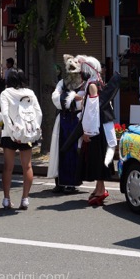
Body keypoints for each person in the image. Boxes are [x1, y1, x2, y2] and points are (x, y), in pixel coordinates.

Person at [78, 56, 118, 206]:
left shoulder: (92, 85)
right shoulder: (98, 83)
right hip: (101, 126)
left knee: (97, 158)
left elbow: (92, 110)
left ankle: (101, 190)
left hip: (96, 128)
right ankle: (99, 188)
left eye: (82, 69)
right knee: (98, 157)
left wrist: (88, 130)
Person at [0, 69, 40, 210]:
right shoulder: (30, 93)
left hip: (10, 133)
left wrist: (12, 133)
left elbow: (4, 114)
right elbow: (38, 113)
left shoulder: (5, 93)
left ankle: (6, 199)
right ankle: (25, 199)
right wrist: (34, 131)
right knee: (27, 166)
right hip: (26, 132)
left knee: (8, 167)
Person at [48, 54, 85, 194]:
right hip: (63, 120)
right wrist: (71, 99)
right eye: (70, 71)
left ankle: (72, 183)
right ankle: (60, 183)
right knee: (59, 151)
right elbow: (55, 98)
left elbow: (83, 102)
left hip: (76, 120)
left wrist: (73, 101)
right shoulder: (62, 83)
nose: (72, 74)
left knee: (74, 151)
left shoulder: (84, 84)